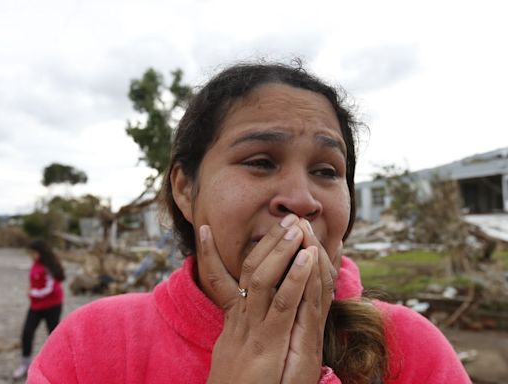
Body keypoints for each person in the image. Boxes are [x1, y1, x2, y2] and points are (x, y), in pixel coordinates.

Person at [28, 62, 471, 383]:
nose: (302, 200)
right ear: (185, 189)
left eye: (326, 171)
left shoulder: (409, 352)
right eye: (260, 161)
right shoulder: (91, 349)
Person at [13, 239, 64, 380]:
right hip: (36, 305)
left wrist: (32, 293)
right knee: (27, 333)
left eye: (32, 252)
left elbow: (50, 288)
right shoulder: (35, 264)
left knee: (53, 334)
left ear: (40, 253)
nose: (30, 255)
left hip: (52, 305)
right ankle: (24, 364)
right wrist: (33, 292)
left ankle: (59, 365)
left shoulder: (49, 266)